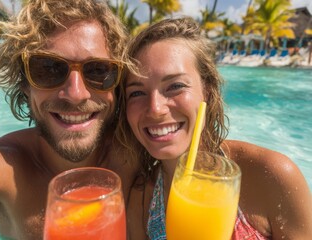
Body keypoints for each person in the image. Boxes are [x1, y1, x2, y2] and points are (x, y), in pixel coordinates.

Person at [0, 0, 139, 239]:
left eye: (98, 71)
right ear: (24, 85)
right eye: (48, 68)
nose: (76, 94)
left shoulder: (137, 152)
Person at [117, 17, 312, 240]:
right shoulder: (141, 200)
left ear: (206, 92)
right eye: (137, 92)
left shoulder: (271, 176)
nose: (155, 109)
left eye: (175, 86)